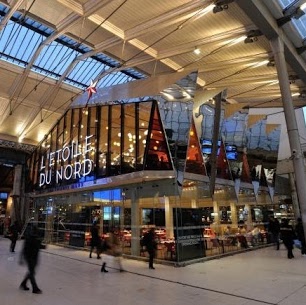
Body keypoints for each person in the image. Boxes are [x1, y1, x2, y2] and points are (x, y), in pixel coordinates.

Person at [19, 226, 44, 294]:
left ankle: (23, 284)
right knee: (32, 272)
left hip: (33, 257)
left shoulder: (34, 238)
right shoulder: (31, 238)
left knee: (31, 272)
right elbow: (26, 248)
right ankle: (35, 288)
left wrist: (42, 246)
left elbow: (37, 246)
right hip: (30, 257)